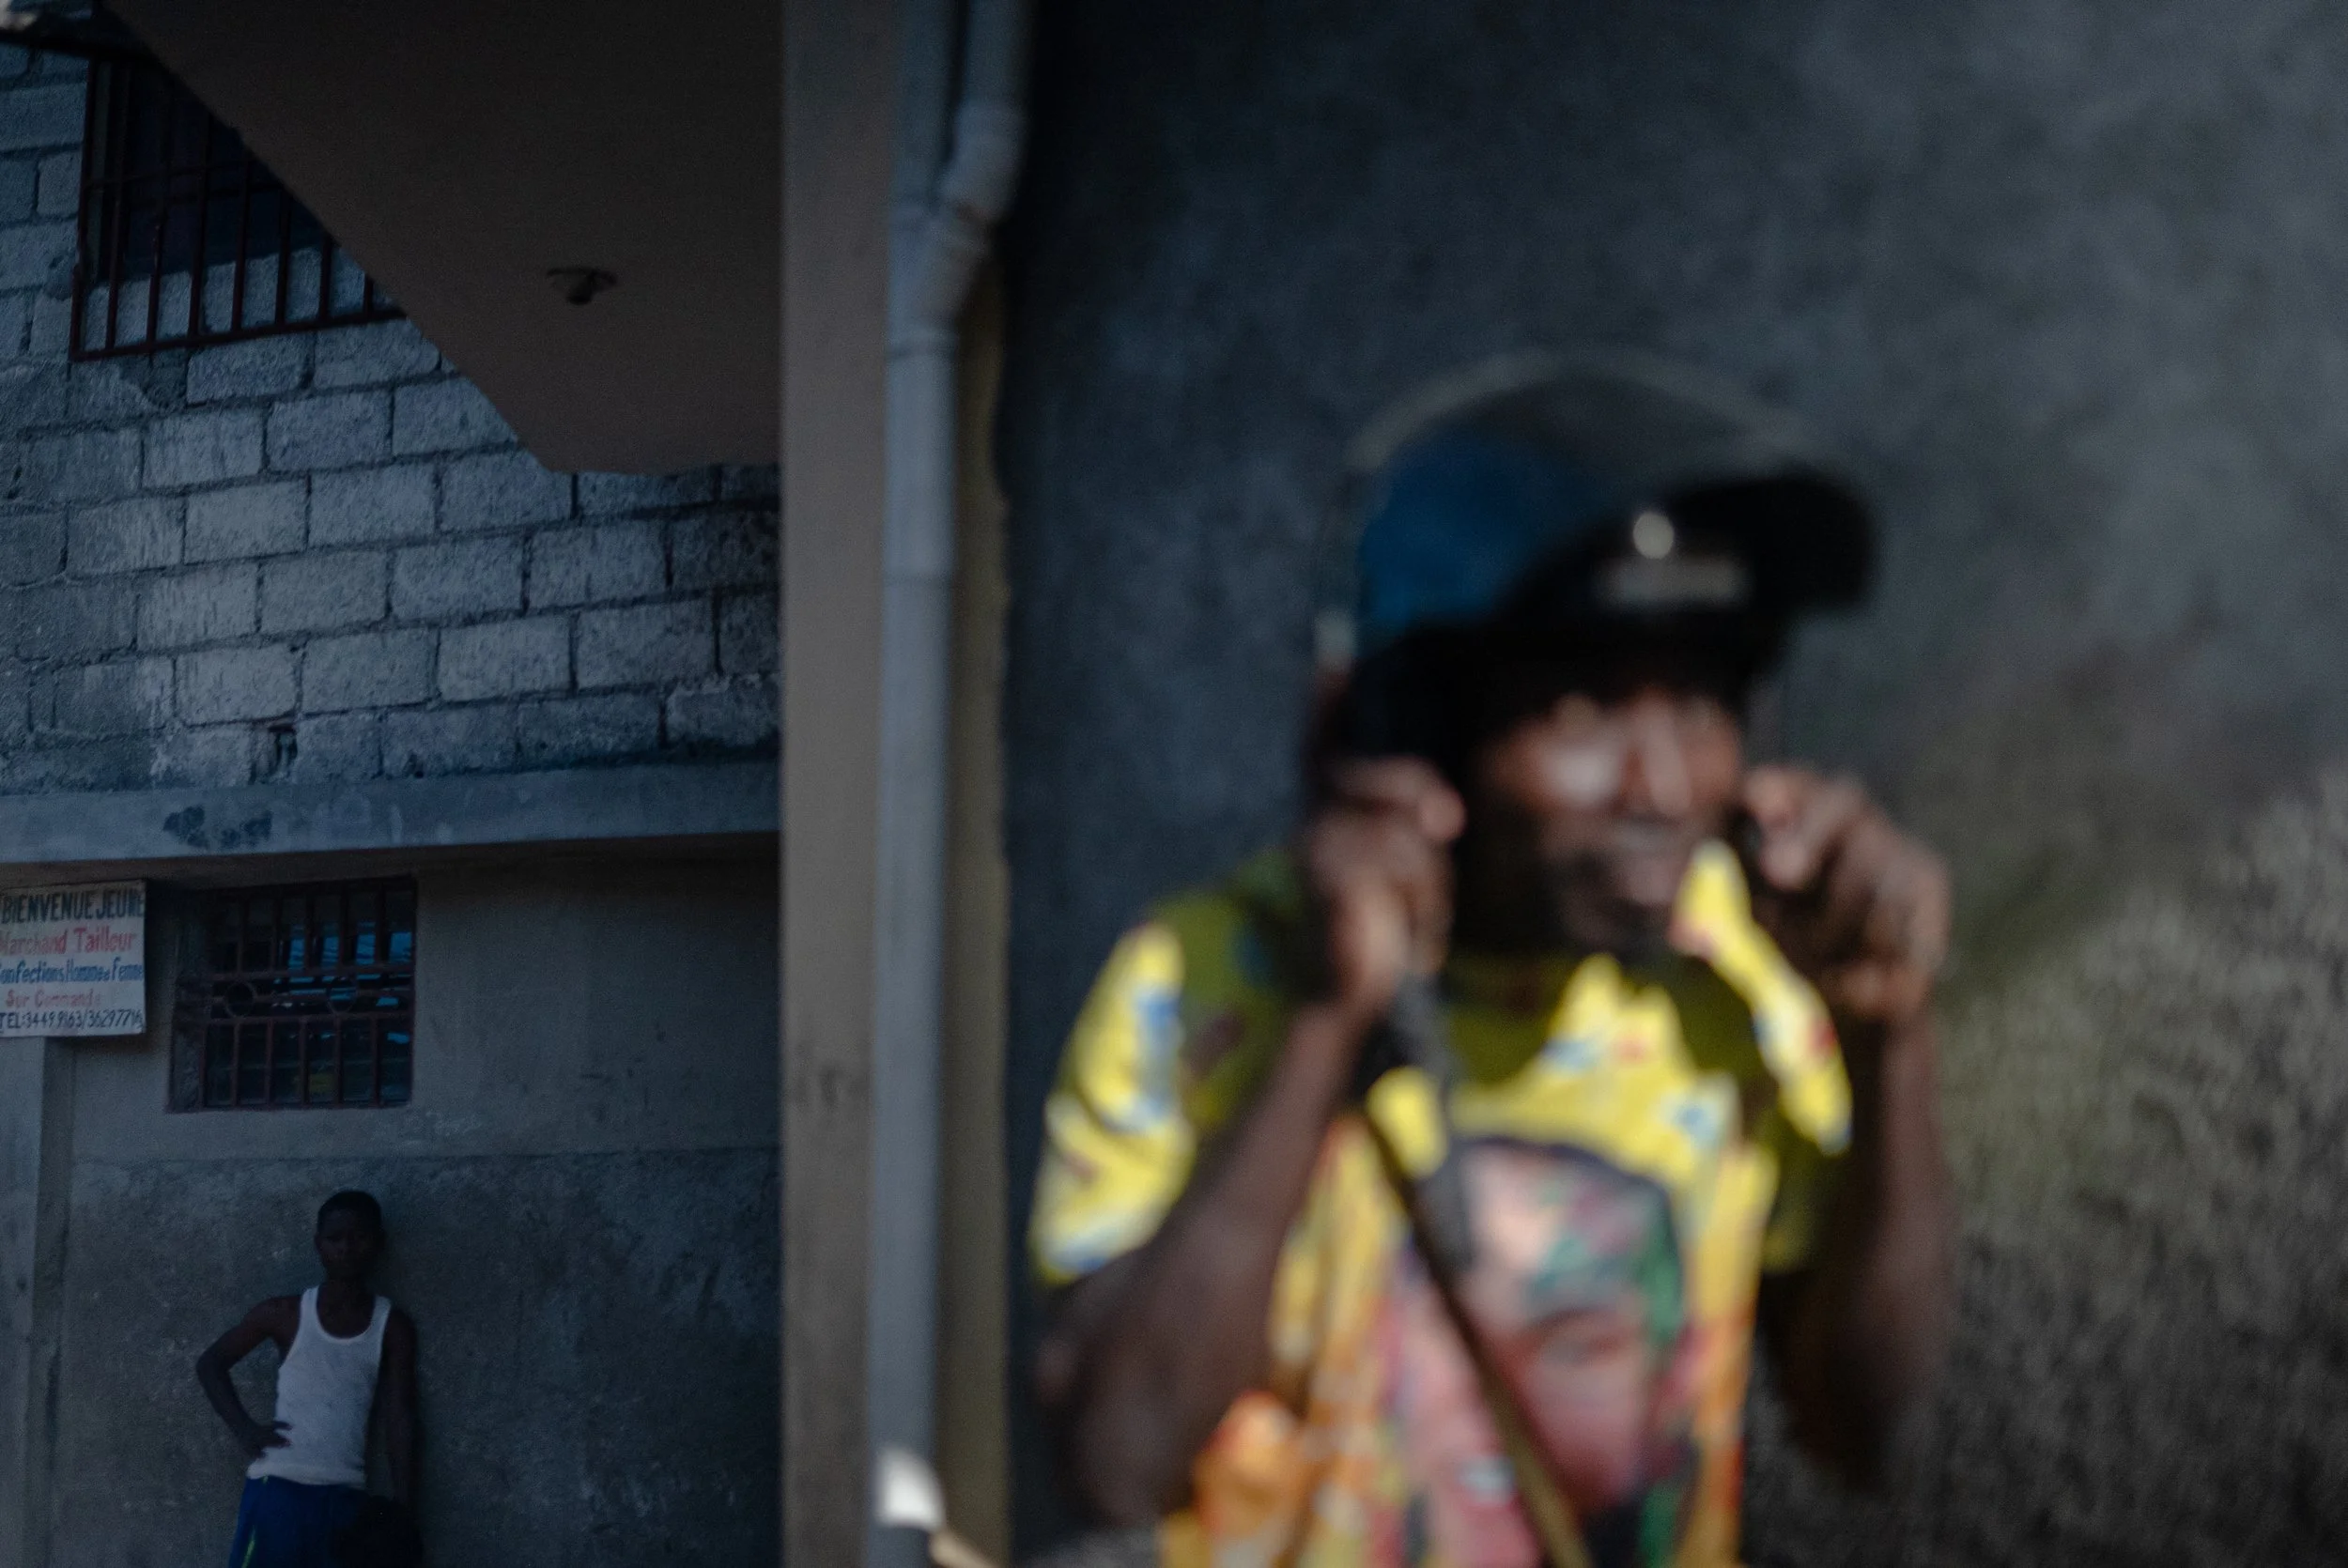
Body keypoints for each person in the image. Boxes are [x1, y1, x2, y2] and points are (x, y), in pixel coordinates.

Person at [1029, 353, 1956, 1567]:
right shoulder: (1199, 976)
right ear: (1415, 727)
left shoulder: (1742, 978)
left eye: (1696, 703)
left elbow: (1863, 1428)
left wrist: (1891, 1033)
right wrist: (1325, 1022)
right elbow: (1120, 1456)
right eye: (1582, 710)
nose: (1663, 786)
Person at [196, 1190, 421, 1568]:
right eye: (335, 1239)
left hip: (346, 1495)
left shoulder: (390, 1325)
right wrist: (245, 1429)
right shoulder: (284, 1313)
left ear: (379, 1243)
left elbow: (400, 1414)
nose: (347, 1248)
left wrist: (404, 1506)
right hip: (278, 1488)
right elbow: (211, 1363)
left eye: (359, 1237)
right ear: (318, 1245)